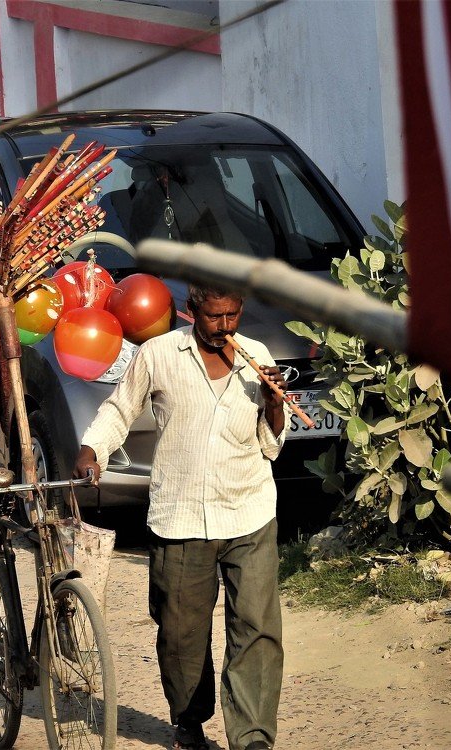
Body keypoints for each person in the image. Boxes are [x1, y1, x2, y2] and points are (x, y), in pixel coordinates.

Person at [74, 283, 290, 750]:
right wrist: (93, 448)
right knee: (180, 633)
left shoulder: (257, 356)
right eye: (214, 317)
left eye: (232, 316)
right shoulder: (158, 354)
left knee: (257, 627)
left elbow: (271, 445)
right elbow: (119, 409)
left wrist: (274, 405)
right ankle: (189, 724)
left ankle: (252, 736)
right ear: (193, 312)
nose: (224, 327)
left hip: (248, 510)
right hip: (180, 515)